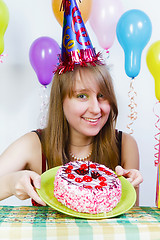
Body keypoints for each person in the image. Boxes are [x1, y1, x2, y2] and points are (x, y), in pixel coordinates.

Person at [0, 63, 143, 206]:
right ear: (60, 101)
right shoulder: (33, 144)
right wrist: (10, 184)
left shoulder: (125, 144)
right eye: (82, 96)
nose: (95, 109)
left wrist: (126, 188)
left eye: (102, 96)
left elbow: (131, 219)